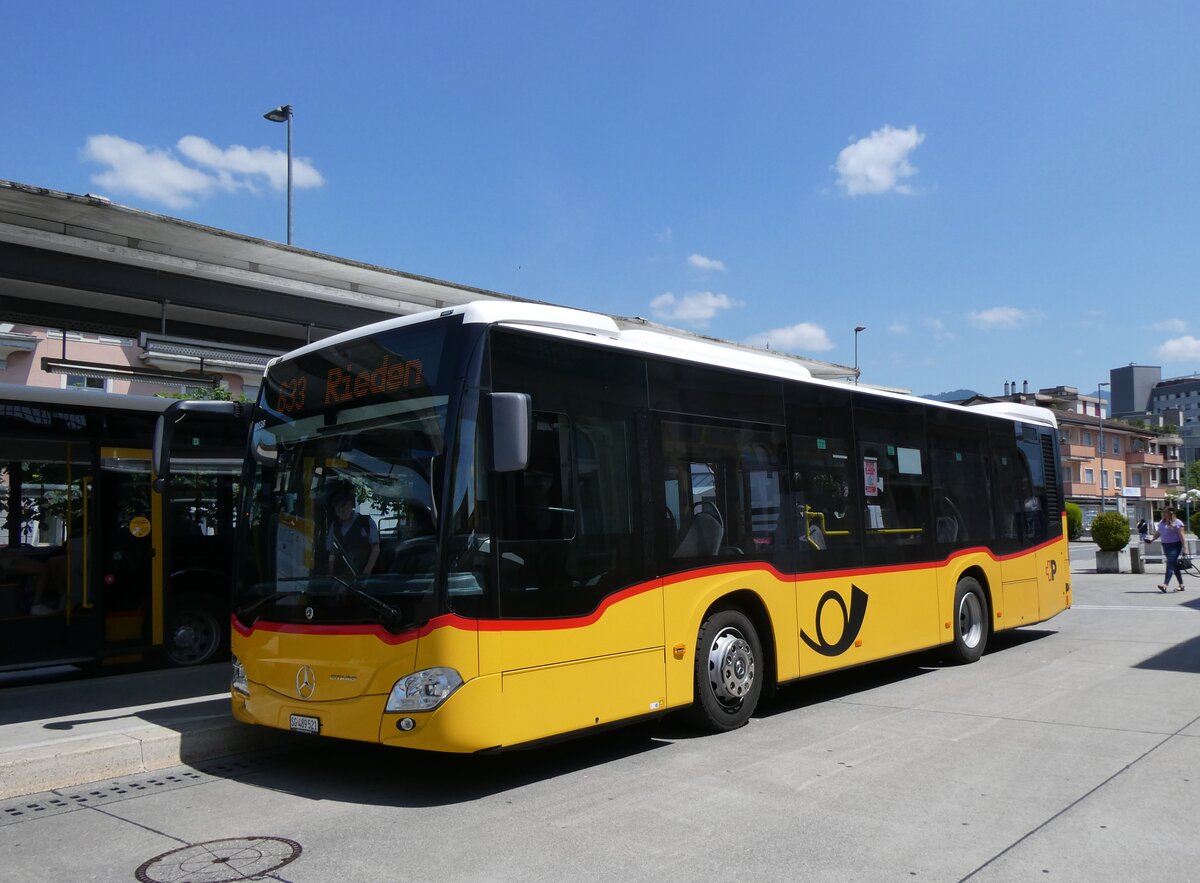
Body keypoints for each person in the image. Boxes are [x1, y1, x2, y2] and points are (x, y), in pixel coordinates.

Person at [326, 490, 380, 577]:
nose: (341, 510)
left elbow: (375, 549)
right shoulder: (334, 526)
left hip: (362, 575)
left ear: (351, 505)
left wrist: (366, 572)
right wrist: (330, 574)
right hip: (340, 577)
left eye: (343, 505)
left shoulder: (366, 522)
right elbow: (332, 553)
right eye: (337, 507)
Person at [1148, 507, 1187, 593]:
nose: (1163, 514)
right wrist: (1152, 539)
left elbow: (1182, 536)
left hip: (1175, 546)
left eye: (1165, 512)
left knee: (1169, 564)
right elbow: (1158, 532)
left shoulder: (1178, 522)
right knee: (1174, 565)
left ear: (1170, 513)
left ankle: (1165, 585)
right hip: (1166, 546)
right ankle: (1181, 585)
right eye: (1163, 512)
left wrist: (1185, 548)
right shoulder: (1162, 522)